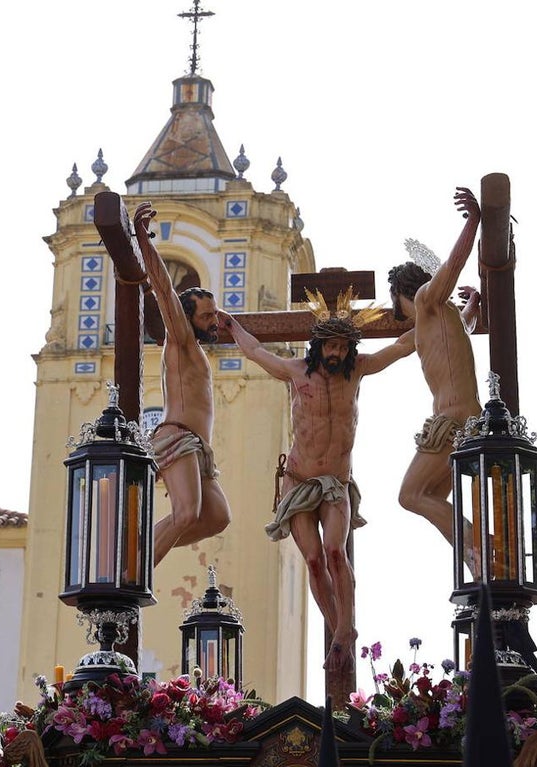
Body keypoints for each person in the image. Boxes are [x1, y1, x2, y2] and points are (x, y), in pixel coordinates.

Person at [220, 293, 414, 672]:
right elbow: (257, 352)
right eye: (331, 345)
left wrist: (441, 313)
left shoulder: (358, 369)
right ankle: (339, 630)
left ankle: (345, 629)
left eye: (343, 346)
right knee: (312, 560)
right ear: (319, 346)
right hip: (298, 480)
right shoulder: (296, 372)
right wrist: (232, 326)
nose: (337, 352)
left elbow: (403, 346)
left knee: (335, 552)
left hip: (335, 484)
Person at [133, 202, 232, 566]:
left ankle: (142, 543)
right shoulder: (181, 340)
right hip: (178, 436)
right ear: (186, 318)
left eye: (215, 315)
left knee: (217, 517)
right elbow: (163, 290)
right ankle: (137, 570)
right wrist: (145, 244)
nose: (214, 321)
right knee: (187, 513)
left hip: (199, 449)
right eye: (207, 315)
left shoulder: (196, 350)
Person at [388, 187, 483, 559]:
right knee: (431, 496)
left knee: (409, 495)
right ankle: (474, 555)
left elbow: (453, 265)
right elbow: (466, 326)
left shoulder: (428, 301)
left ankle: (479, 551)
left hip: (452, 420)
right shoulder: (441, 322)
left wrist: (473, 220)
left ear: (400, 293)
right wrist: (473, 303)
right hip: (465, 417)